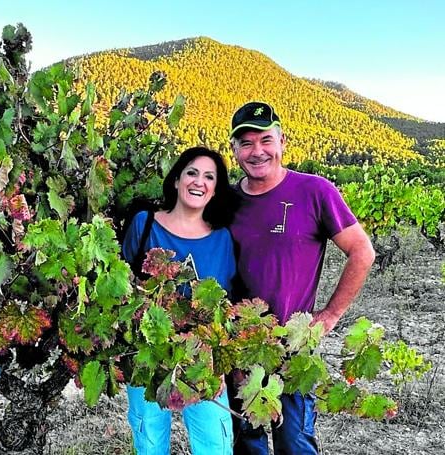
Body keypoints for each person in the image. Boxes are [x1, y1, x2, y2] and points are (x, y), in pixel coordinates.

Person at [227, 101, 376, 454]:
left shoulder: (314, 191)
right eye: (245, 143)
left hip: (293, 348)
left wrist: (331, 315)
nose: (257, 151)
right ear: (234, 150)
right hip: (238, 346)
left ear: (282, 141)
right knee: (247, 444)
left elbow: (362, 251)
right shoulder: (225, 201)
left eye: (265, 140)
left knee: (295, 444)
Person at [122, 146, 236, 455]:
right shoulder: (144, 224)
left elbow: (220, 305)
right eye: (192, 173)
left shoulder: (222, 238)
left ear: (215, 191)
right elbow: (122, 287)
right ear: (176, 180)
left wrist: (219, 360)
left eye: (209, 177)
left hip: (201, 359)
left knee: (216, 442)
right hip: (146, 354)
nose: (199, 182)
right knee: (149, 442)